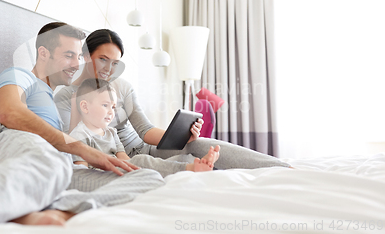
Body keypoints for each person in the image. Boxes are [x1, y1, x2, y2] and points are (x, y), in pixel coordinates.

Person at [0, 23, 164, 234]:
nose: (76, 64)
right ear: (43, 54)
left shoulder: (54, 98)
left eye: (78, 56)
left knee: (147, 177)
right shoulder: (19, 75)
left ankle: (55, 211)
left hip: (60, 166)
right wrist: (81, 149)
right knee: (47, 161)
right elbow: (10, 112)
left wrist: (90, 154)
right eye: (68, 55)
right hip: (15, 139)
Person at [55, 29, 292, 170]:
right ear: (86, 56)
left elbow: (145, 129)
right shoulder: (67, 96)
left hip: (146, 147)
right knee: (177, 163)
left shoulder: (122, 87)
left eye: (115, 63)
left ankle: (279, 167)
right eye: (103, 59)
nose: (109, 68)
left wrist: (179, 136)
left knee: (198, 145)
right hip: (119, 157)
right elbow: (72, 142)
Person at [70, 78, 220, 177]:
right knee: (141, 161)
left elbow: (126, 159)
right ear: (85, 106)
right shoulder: (78, 136)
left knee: (149, 160)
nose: (111, 112)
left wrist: (136, 168)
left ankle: (193, 163)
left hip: (120, 169)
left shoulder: (111, 132)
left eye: (113, 107)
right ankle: (190, 169)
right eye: (105, 105)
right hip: (103, 174)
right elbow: (82, 172)